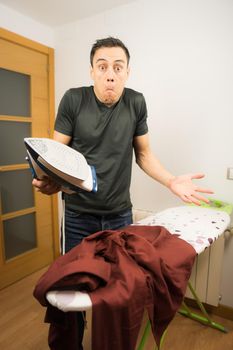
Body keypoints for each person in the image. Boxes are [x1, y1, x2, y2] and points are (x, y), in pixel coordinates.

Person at [33, 36, 213, 349]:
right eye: (102, 67)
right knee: (72, 290)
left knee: (116, 293)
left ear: (128, 72)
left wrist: (171, 181)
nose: (110, 74)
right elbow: (55, 155)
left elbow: (143, 154)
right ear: (92, 72)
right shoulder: (73, 100)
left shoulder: (136, 102)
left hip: (119, 216)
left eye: (118, 67)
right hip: (78, 216)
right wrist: (49, 180)